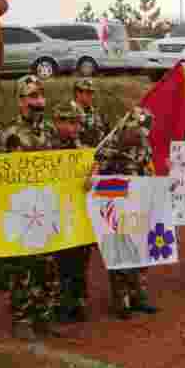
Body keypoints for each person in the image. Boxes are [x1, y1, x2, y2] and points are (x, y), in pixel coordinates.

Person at [0, 75, 61, 341]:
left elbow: (63, 166)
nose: (38, 102)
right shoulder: (8, 135)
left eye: (41, 96)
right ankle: (22, 319)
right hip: (20, 211)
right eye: (32, 96)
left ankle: (43, 317)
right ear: (20, 100)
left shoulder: (50, 132)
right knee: (22, 268)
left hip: (47, 209)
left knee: (47, 266)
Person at [90, 107, 161, 318]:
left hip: (139, 204)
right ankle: (121, 301)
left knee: (140, 252)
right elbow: (97, 177)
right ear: (128, 126)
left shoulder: (144, 145)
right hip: (117, 206)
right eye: (138, 130)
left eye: (144, 132)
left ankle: (139, 295)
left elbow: (147, 169)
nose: (141, 135)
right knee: (119, 253)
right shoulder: (109, 146)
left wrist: (159, 186)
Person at [53, 78, 106, 324]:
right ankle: (59, 304)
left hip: (79, 212)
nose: (74, 128)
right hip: (55, 214)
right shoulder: (47, 148)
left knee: (80, 258)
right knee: (60, 261)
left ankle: (78, 301)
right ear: (57, 122)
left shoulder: (83, 149)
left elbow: (96, 165)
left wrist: (93, 172)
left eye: (77, 123)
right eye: (69, 122)